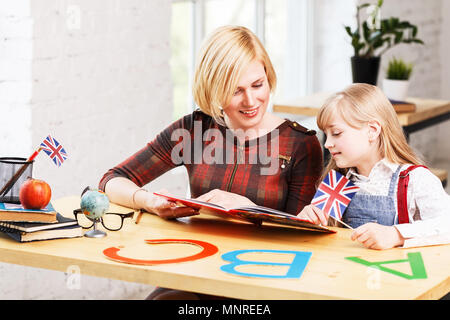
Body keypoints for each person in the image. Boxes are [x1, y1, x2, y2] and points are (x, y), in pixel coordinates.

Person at [98, 25, 323, 299]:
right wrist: (150, 202)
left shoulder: (301, 143)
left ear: (269, 78)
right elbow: (112, 180)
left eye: (257, 85)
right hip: (197, 268)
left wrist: (247, 211)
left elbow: (303, 238)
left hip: (261, 277)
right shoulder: (194, 130)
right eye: (235, 90)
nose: (251, 100)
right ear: (214, 89)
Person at [297, 83, 450, 250]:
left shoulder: (414, 179)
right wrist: (307, 223)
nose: (327, 144)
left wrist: (396, 234)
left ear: (372, 130)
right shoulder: (337, 181)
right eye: (325, 135)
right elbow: (321, 241)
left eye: (336, 133)